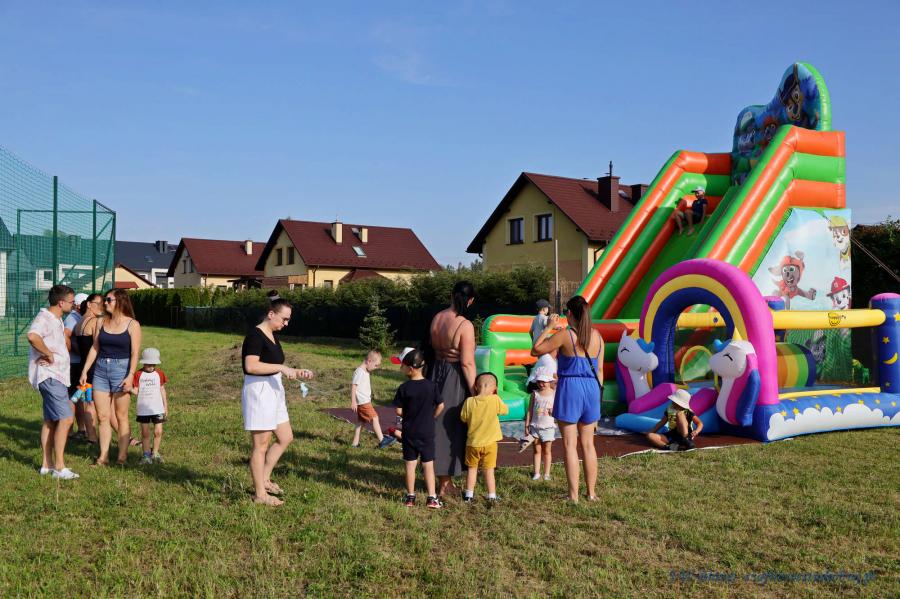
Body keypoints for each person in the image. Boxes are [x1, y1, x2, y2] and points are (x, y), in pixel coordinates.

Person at [241, 298, 314, 506]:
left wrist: (295, 371)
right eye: (284, 319)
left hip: (274, 390)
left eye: (288, 320)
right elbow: (251, 366)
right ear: (271, 314)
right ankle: (260, 495)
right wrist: (282, 368)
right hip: (259, 393)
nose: (286, 323)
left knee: (285, 437)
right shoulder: (255, 335)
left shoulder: (273, 335)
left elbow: (273, 363)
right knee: (261, 445)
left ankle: (264, 479)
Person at [532, 295, 603, 503]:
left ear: (569, 313)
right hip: (593, 389)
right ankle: (591, 493)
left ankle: (573, 496)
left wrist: (548, 327)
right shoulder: (597, 336)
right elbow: (600, 370)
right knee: (588, 444)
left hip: (571, 388)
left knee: (570, 444)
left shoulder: (565, 335)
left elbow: (535, 349)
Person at [80, 288, 143, 466]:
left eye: (108, 300)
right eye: (104, 300)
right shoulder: (100, 322)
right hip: (100, 371)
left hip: (121, 371)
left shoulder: (133, 325)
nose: (105, 303)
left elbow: (135, 353)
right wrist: (85, 370)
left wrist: (130, 376)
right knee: (103, 416)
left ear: (120, 302)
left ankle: (122, 457)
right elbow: (95, 348)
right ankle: (103, 456)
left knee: (121, 416)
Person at [428, 281, 477, 498]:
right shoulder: (464, 325)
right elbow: (467, 363)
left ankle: (436, 476)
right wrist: (475, 391)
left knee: (435, 425)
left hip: (435, 372)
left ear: (451, 295)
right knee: (449, 428)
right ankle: (445, 483)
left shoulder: (437, 317)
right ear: (470, 300)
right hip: (453, 376)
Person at [27, 284, 79, 479]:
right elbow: (32, 336)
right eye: (71, 302)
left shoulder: (57, 319)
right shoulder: (45, 318)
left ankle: (46, 465)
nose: (74, 305)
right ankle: (59, 467)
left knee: (50, 420)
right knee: (66, 419)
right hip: (50, 376)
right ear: (61, 302)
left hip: (56, 376)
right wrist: (48, 353)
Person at [392, 347, 444, 509]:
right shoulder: (432, 386)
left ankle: (410, 497)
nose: (400, 368)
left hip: (409, 432)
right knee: (428, 465)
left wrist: (409, 414)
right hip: (427, 432)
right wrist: (432, 416)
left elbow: (398, 410)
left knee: (410, 465)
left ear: (410, 369)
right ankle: (432, 498)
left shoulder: (404, 388)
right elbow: (441, 405)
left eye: (402, 365)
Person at [459, 372, 509, 503]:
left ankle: (469, 495)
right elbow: (505, 411)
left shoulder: (469, 401)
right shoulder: (495, 399)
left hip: (472, 443)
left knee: (472, 469)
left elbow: (463, 418)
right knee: (489, 470)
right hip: (490, 444)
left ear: (476, 387)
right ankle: (491, 496)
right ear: (495, 388)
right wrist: (496, 396)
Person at [73, 293, 104, 444]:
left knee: (88, 401)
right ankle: (126, 438)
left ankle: (91, 437)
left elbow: (77, 346)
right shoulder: (95, 322)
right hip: (94, 367)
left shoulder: (79, 323)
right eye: (99, 304)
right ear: (89, 305)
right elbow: (98, 347)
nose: (102, 307)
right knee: (98, 404)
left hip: (83, 366)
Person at [131, 348, 169, 464]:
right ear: (143, 362)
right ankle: (146, 455)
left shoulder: (159, 374)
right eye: (149, 364)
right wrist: (128, 389)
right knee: (145, 433)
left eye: (154, 364)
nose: (152, 367)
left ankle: (155, 453)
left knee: (158, 432)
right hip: (143, 409)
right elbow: (136, 391)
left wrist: (165, 406)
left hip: (157, 408)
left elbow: (162, 389)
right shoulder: (138, 374)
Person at [64, 293, 89, 440]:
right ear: (79, 306)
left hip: (78, 363)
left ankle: (81, 429)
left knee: (78, 397)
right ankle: (68, 430)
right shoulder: (72, 318)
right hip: (74, 364)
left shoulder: (79, 317)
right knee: (73, 397)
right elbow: (65, 335)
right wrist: (73, 350)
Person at [523, 367, 556, 481]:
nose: (541, 384)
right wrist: (527, 425)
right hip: (535, 426)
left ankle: (547, 473)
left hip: (548, 427)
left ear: (550, 381)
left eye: (544, 381)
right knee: (537, 450)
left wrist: (553, 412)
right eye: (539, 381)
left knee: (547, 451)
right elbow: (529, 410)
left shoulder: (554, 394)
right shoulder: (535, 394)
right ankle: (536, 473)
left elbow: (558, 409)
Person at [350, 350, 387, 448]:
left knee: (361, 422)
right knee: (375, 418)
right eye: (375, 365)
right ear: (369, 361)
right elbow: (354, 386)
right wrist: (353, 401)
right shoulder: (359, 372)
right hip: (363, 403)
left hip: (365, 401)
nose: (376, 367)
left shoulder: (365, 371)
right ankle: (382, 440)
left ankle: (355, 443)